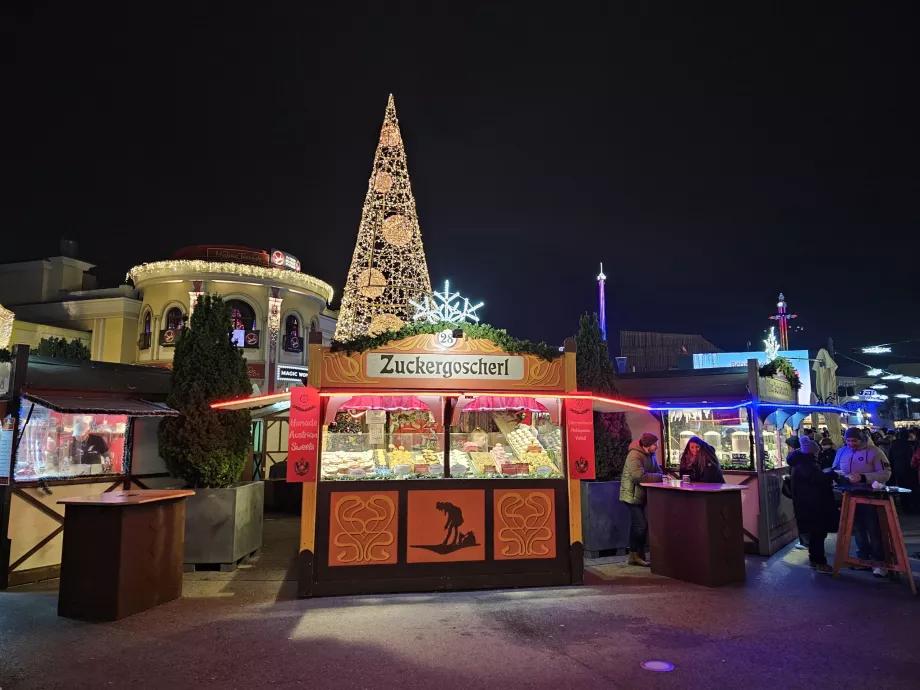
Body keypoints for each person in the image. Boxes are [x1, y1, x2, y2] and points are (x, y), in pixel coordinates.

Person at [832, 426, 892, 577]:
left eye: (854, 441)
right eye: (848, 440)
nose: (851, 444)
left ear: (862, 439)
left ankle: (880, 562)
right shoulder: (842, 451)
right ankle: (863, 558)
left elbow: (885, 473)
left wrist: (864, 477)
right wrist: (835, 474)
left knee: (873, 528)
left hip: (871, 495)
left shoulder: (875, 452)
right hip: (850, 494)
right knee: (858, 528)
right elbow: (835, 467)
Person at [788, 436, 837, 573]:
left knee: (814, 534)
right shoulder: (806, 466)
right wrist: (832, 474)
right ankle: (820, 562)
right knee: (817, 533)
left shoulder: (798, 464)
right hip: (813, 505)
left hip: (805, 504)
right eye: (816, 452)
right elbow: (818, 480)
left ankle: (814, 560)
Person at [619, 432, 665, 567]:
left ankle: (635, 556)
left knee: (637, 526)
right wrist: (658, 477)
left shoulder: (651, 455)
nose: (656, 447)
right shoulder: (634, 455)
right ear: (647, 445)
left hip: (641, 494)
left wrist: (658, 476)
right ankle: (635, 555)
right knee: (641, 526)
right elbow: (638, 476)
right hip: (631, 495)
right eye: (654, 444)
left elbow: (658, 471)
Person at [890, 429, 916, 512]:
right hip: (910, 468)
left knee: (901, 487)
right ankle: (911, 505)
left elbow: (890, 457)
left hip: (898, 468)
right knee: (911, 487)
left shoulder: (894, 444)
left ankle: (905, 506)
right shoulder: (910, 444)